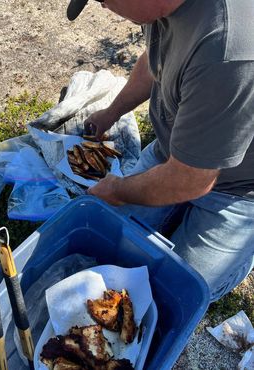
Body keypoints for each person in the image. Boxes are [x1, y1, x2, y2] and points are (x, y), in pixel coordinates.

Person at [66, 0, 254, 302]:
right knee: (108, 244)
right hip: (175, 154)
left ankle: (242, 254)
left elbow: (191, 180)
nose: (102, 7)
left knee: (177, 293)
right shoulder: (160, 8)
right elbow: (155, 61)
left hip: (237, 190)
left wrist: (117, 190)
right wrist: (112, 112)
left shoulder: (227, 51)